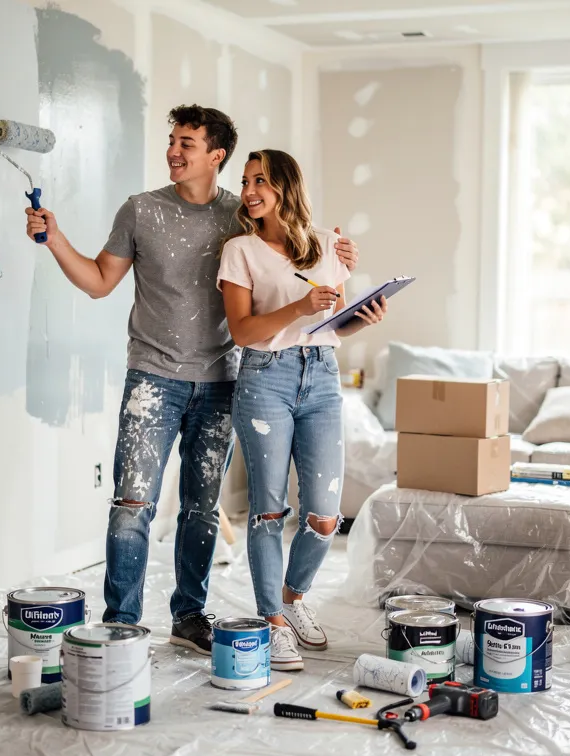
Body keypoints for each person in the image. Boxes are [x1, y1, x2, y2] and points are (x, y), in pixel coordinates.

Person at [25, 106, 360, 655]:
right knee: (133, 504)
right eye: (172, 142)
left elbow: (293, 245)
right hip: (153, 378)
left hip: (223, 380)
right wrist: (55, 238)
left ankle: (189, 615)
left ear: (215, 155)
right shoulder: (141, 210)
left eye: (186, 143)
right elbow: (99, 282)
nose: (174, 152)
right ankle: (121, 623)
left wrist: (341, 253)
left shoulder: (241, 218)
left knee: (202, 509)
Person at [217, 149, 388, 671]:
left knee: (325, 515)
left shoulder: (327, 247)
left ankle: (293, 598)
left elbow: (331, 325)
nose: (249, 191)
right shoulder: (240, 249)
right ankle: (271, 620)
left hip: (322, 376)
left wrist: (363, 318)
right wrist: (298, 307)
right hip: (265, 378)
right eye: (246, 181)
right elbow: (243, 331)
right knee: (268, 510)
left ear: (287, 186)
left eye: (261, 180)